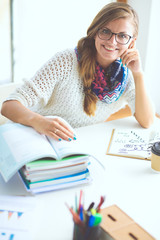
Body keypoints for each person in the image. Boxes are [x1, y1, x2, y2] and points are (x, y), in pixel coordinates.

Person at [1, 2, 155, 141]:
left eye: (122, 36)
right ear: (95, 31)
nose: (112, 42)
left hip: (68, 145)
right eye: (106, 31)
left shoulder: (125, 76)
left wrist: (138, 74)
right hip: (27, 136)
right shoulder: (66, 61)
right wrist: (39, 121)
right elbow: (8, 106)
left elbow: (147, 121)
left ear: (132, 42)